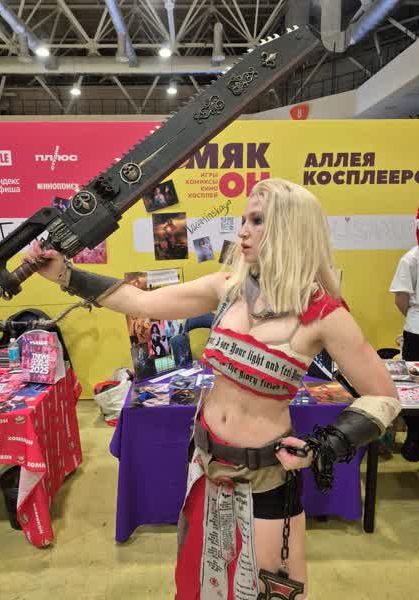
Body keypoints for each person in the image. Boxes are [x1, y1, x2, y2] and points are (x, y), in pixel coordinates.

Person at [24, 178, 400, 600]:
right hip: (205, 465)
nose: (242, 231)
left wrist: (322, 447)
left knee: (261, 590)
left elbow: (384, 397)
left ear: (291, 227)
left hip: (264, 479)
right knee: (199, 581)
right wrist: (65, 275)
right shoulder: (228, 288)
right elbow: (142, 303)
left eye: (256, 221)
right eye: (244, 220)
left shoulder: (325, 314)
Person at [389, 212, 419, 461]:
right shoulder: (411, 259)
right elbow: (402, 299)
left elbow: (401, 300)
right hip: (416, 329)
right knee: (412, 385)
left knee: (413, 386)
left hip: (415, 328)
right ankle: (415, 436)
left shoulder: (410, 258)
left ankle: (414, 438)